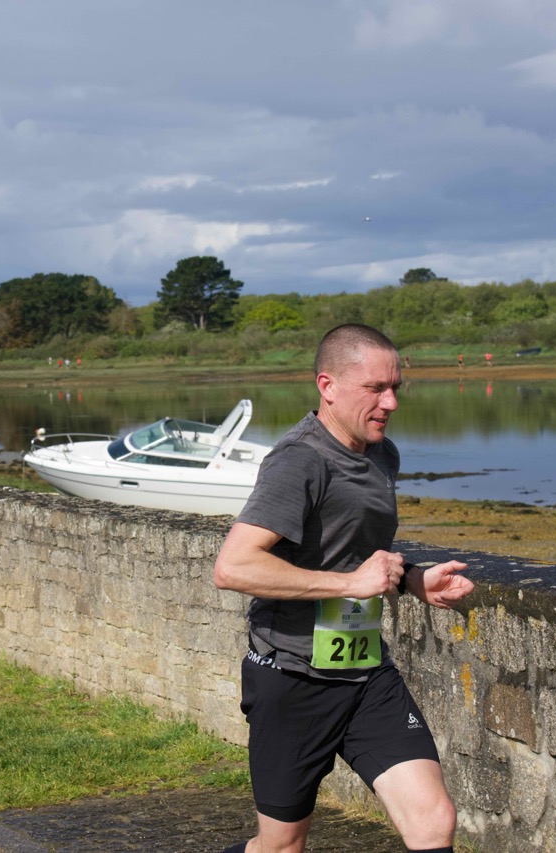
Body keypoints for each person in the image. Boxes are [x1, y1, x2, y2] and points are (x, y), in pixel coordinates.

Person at [214, 323, 474, 853]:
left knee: (433, 819)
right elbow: (234, 566)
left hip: (365, 671)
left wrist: (414, 579)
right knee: (281, 846)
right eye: (375, 388)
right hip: (292, 677)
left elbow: (357, 553)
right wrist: (351, 584)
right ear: (327, 386)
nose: (391, 402)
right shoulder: (299, 461)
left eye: (395, 387)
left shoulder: (382, 455)